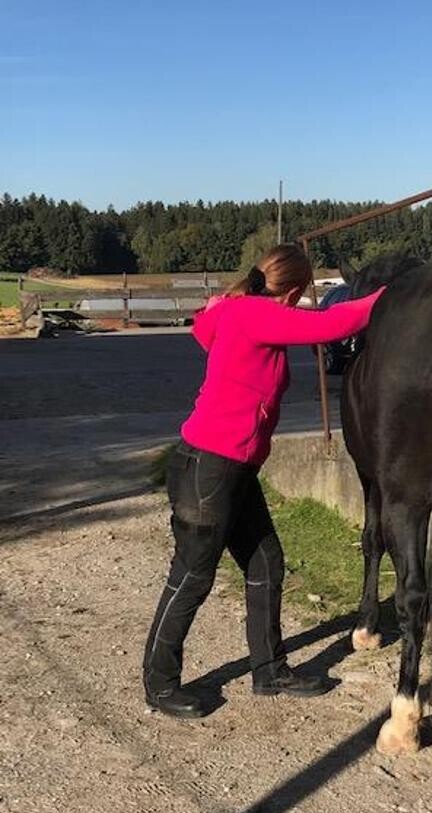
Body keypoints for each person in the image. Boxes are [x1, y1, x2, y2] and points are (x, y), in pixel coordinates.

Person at [143, 244, 384, 718]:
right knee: (191, 576)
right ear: (294, 290)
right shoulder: (256, 314)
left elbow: (203, 328)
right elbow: (332, 325)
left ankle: (269, 670)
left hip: (231, 468)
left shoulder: (235, 311)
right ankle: (160, 683)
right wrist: (389, 295)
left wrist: (217, 308)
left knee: (266, 562)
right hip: (210, 470)